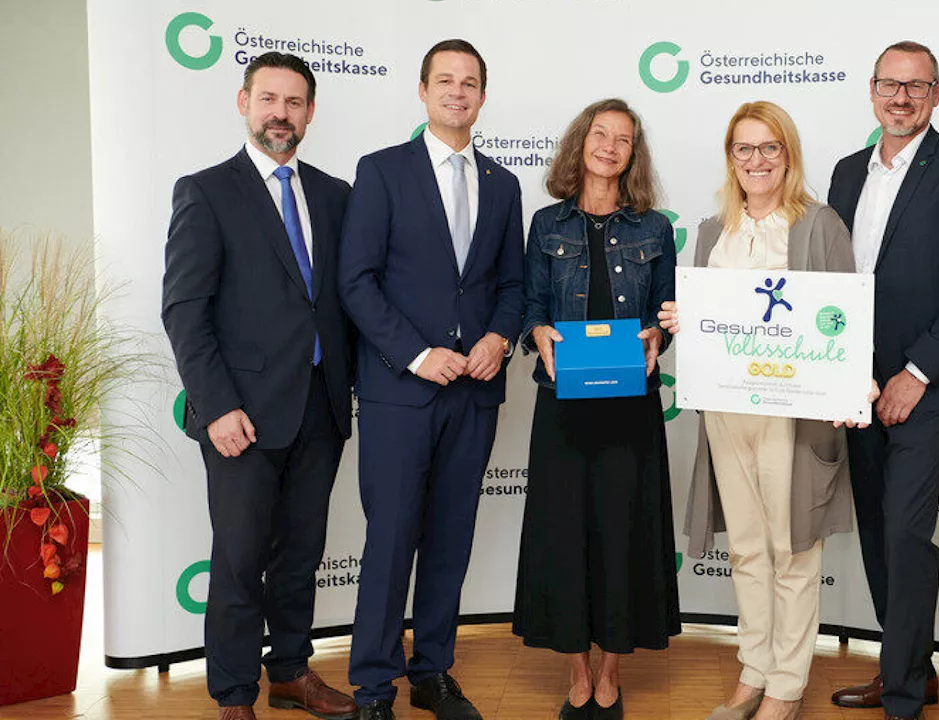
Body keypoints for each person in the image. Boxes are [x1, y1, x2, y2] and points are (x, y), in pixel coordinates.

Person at [161, 52, 356, 720]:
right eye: (269, 99)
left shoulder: (335, 195)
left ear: (310, 111)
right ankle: (235, 695)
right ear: (243, 102)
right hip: (240, 417)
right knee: (241, 562)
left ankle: (292, 673)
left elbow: (341, 300)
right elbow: (185, 311)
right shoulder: (207, 190)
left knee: (301, 555)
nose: (281, 113)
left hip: (320, 411)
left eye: (295, 102)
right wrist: (217, 407)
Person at [661, 101, 866, 720]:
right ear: (731, 158)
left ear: (789, 155)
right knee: (748, 548)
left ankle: (786, 683)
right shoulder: (707, 232)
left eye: (769, 148)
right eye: (744, 149)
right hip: (726, 415)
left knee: (793, 549)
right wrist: (680, 320)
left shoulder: (819, 224)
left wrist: (847, 387)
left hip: (793, 418)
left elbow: (844, 321)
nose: (757, 161)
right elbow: (704, 324)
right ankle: (753, 670)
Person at [338, 39, 524, 720]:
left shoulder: (504, 185)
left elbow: (513, 284)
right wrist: (418, 355)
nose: (456, 92)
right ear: (422, 92)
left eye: (469, 82)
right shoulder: (382, 172)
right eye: (444, 81)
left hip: (474, 394)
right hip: (400, 392)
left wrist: (500, 337)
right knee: (390, 540)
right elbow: (356, 282)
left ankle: (433, 672)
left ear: (481, 95)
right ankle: (374, 687)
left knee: (451, 538)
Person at [826, 41, 939, 720]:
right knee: (875, 529)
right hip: (854, 387)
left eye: (915, 86)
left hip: (927, 386)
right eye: (889, 85)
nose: (900, 98)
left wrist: (916, 372)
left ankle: (901, 696)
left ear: (936, 94)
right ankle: (909, 667)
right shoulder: (846, 173)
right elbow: (833, 284)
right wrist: (840, 373)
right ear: (872, 91)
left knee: (905, 533)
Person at [513, 98, 680, 720]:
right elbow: (530, 304)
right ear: (580, 143)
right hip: (562, 406)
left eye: (623, 140)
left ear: (633, 154)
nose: (610, 147)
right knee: (565, 537)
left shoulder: (654, 228)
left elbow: (666, 309)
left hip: (630, 408)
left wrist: (660, 335)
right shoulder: (545, 224)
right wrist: (539, 334)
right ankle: (576, 672)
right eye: (600, 135)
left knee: (623, 534)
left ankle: (611, 671)